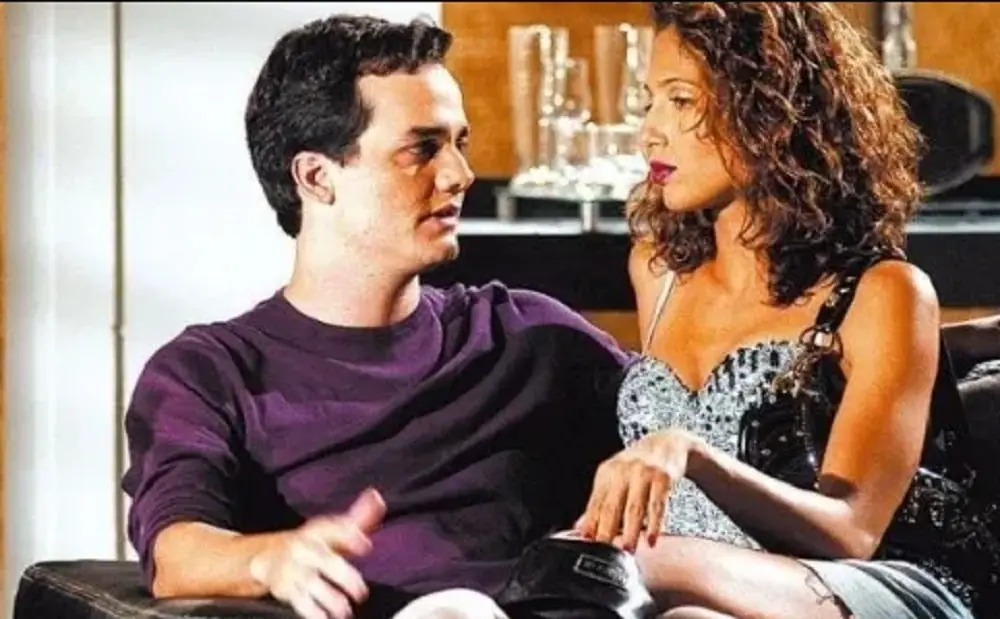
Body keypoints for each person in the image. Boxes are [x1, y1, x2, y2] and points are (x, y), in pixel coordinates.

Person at [120, 13, 634, 619]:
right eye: (422, 148)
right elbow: (177, 553)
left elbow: (688, 435)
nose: (460, 175)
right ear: (317, 177)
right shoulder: (211, 374)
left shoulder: (528, 337)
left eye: (460, 143)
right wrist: (271, 559)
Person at [573, 3, 995, 619]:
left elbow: (851, 532)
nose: (650, 133)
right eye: (648, 102)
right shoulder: (657, 272)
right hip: (705, 595)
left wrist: (690, 454)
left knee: (622, 566)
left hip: (870, 585)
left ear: (770, 113)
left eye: (682, 101)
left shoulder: (884, 292)